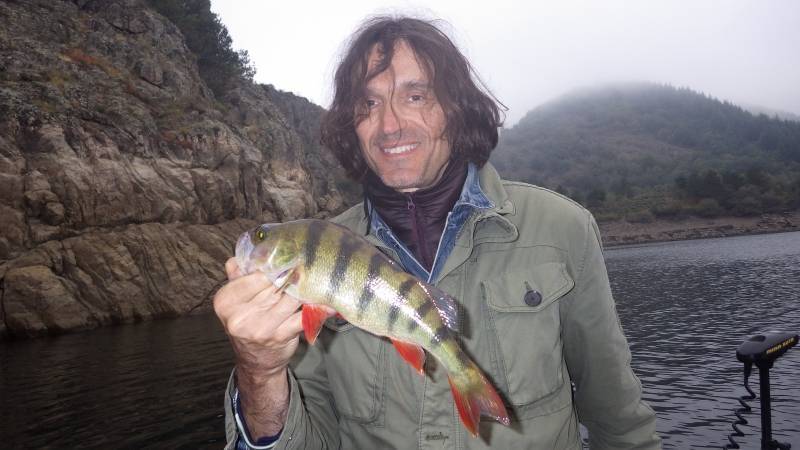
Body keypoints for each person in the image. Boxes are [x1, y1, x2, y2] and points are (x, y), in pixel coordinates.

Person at [214, 16, 661, 450]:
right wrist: (260, 373)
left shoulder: (563, 228)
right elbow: (310, 440)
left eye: (415, 97)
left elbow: (617, 414)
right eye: (368, 105)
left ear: (456, 108)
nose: (389, 125)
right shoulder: (309, 275)